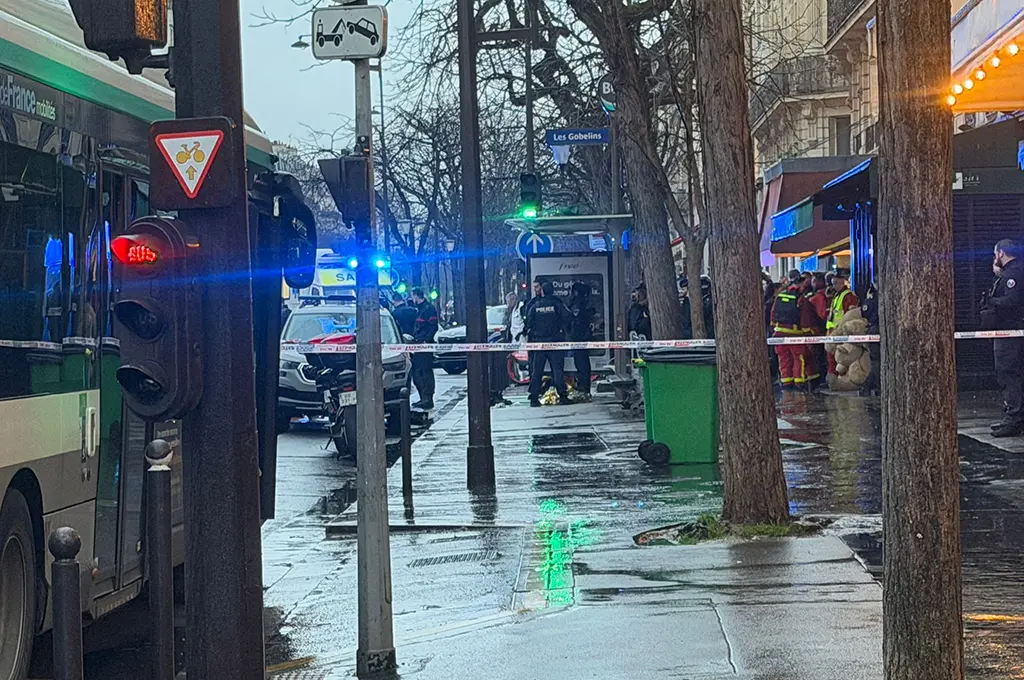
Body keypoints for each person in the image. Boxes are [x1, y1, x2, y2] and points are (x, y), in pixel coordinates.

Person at [981, 239, 1024, 437]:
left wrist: (991, 301)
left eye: (995, 254)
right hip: (1011, 331)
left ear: (1001, 253)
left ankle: (1013, 419)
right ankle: (1014, 416)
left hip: (1009, 332)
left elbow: (1012, 300)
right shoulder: (1013, 272)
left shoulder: (1012, 274)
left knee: (1007, 373)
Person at [525, 281, 569, 406]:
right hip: (555, 342)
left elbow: (528, 322)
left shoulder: (535, 305)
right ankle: (562, 396)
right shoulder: (557, 304)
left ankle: (534, 397)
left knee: (537, 371)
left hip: (539, 343)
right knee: (557, 370)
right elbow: (567, 317)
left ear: (542, 291)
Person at [771, 276, 818, 388]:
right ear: (800, 285)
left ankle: (786, 382)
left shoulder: (780, 296)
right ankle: (799, 382)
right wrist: (809, 333)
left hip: (779, 335)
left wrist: (775, 326)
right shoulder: (801, 299)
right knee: (798, 359)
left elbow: (773, 315)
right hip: (795, 335)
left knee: (784, 359)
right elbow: (805, 320)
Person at [409, 287, 439, 410]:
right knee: (418, 372)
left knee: (425, 372)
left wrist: (426, 340)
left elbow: (433, 326)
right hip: (419, 344)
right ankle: (423, 398)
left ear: (416, 296)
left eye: (412, 296)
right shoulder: (420, 309)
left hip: (425, 345)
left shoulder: (428, 309)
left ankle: (427, 398)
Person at [825, 271, 859, 376]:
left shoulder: (848, 296)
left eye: (836, 283)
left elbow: (850, 314)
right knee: (831, 356)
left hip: (840, 330)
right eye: (833, 283)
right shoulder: (837, 295)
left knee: (840, 356)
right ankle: (833, 376)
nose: (834, 286)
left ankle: (838, 377)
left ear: (842, 282)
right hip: (832, 330)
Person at [567, 281, 594, 399]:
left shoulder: (577, 304)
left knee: (581, 363)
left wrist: (570, 333)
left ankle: (583, 387)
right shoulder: (584, 303)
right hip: (582, 338)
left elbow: (574, 320)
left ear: (575, 292)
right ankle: (584, 386)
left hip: (579, 338)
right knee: (583, 363)